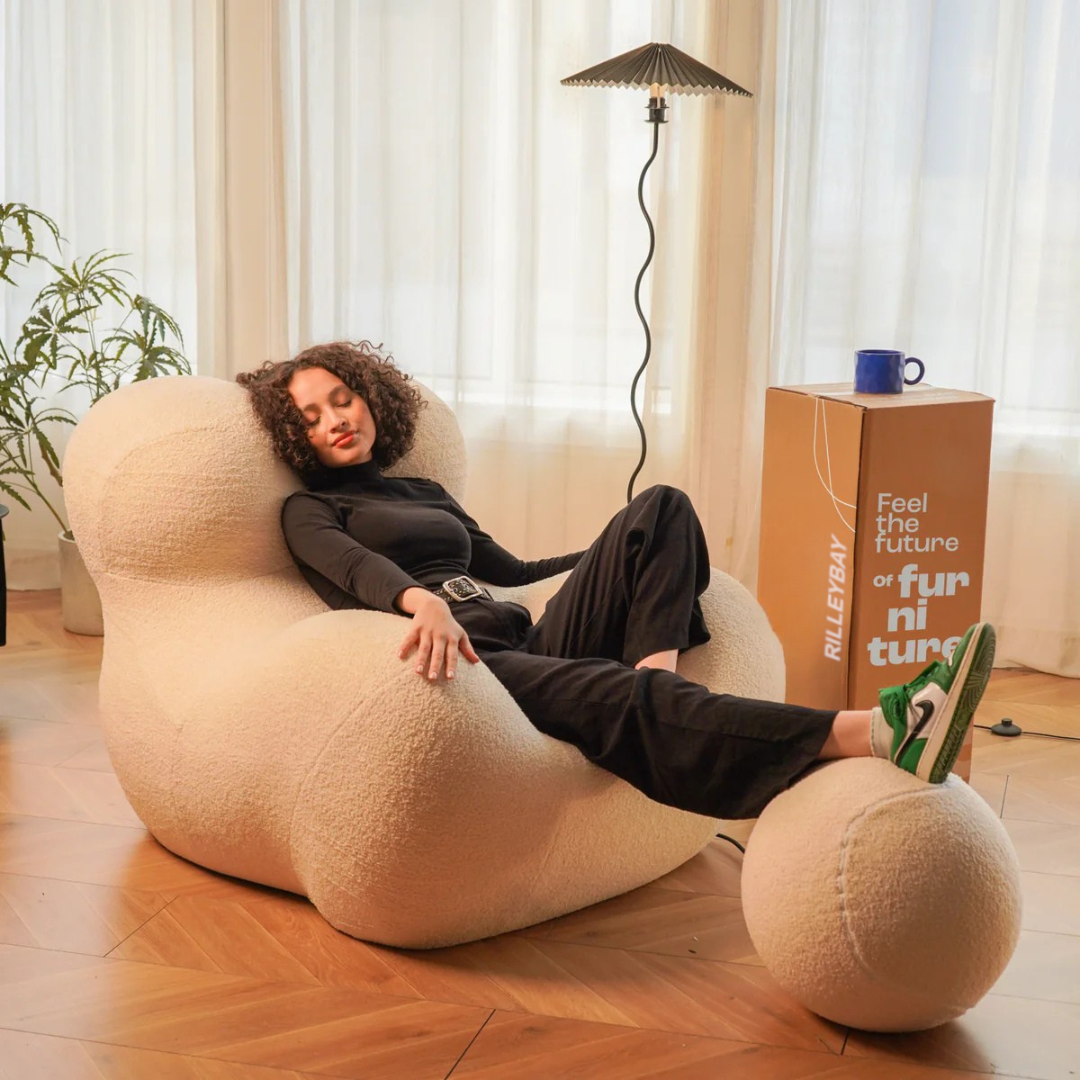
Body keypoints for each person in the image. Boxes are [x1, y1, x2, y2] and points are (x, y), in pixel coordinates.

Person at [236, 340, 996, 820]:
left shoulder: (425, 493)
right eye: (311, 415)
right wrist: (420, 602)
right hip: (471, 668)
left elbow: (516, 572)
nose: (335, 419)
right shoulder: (311, 509)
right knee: (620, 690)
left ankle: (657, 675)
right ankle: (881, 730)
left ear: (369, 400)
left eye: (342, 399)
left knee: (660, 507)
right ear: (296, 437)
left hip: (522, 638)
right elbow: (356, 570)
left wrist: (623, 553)